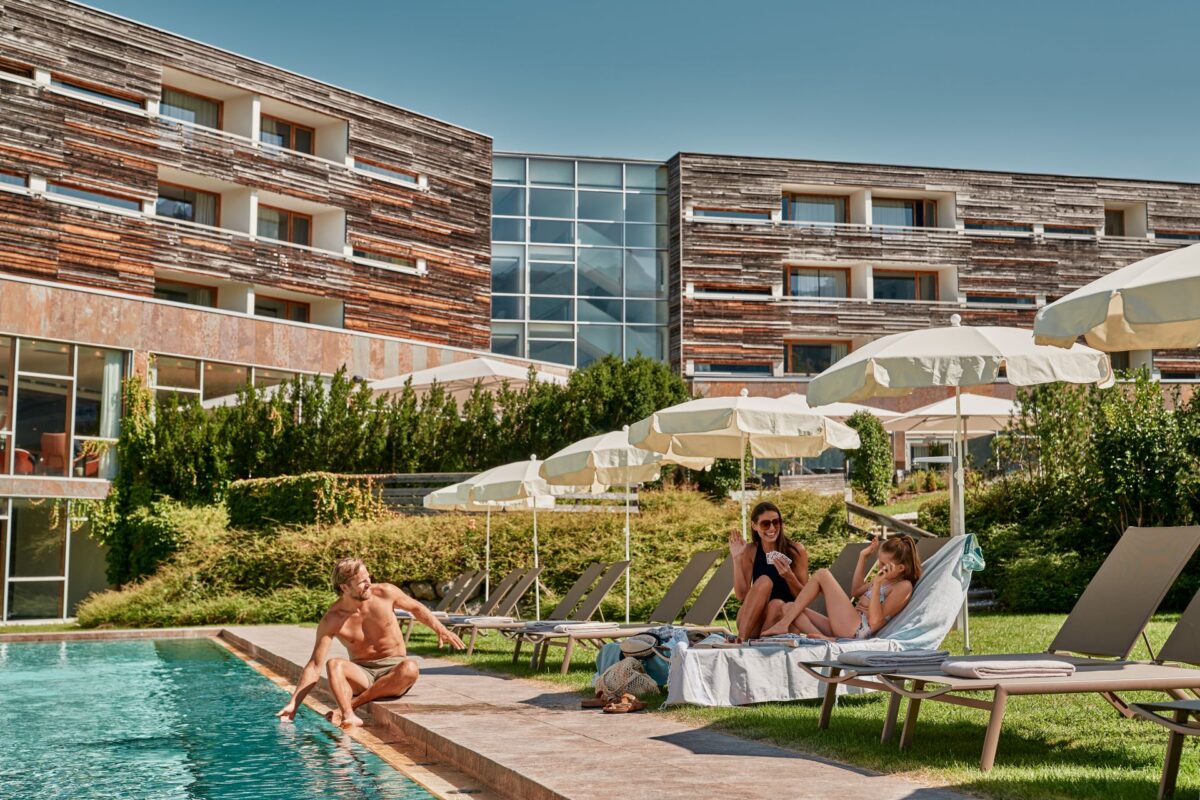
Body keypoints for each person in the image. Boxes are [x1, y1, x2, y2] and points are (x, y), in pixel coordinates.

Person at [276, 557, 466, 728]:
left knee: (410, 668)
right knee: (334, 664)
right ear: (345, 588)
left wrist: (440, 629)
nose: (369, 584)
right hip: (363, 673)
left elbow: (416, 608)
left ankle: (348, 707)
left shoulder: (385, 592)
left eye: (369, 577)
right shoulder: (332, 619)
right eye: (362, 582)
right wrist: (294, 703)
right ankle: (349, 716)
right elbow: (314, 665)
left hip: (395, 669)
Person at [762, 535, 921, 640]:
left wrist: (878, 583)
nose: (879, 566)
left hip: (857, 630)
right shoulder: (884, 578)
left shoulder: (903, 586)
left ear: (901, 568)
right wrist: (863, 557)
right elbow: (856, 591)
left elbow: (875, 620)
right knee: (788, 608)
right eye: (879, 561)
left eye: (884, 564)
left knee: (822, 574)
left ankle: (785, 625)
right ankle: (823, 639)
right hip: (846, 624)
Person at [728, 501, 809, 640]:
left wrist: (789, 576)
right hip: (752, 621)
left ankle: (756, 641)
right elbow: (741, 596)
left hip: (785, 619)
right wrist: (737, 559)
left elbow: (804, 597)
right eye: (765, 524)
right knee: (764, 581)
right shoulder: (751, 550)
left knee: (776, 604)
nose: (772, 528)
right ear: (754, 526)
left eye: (776, 522)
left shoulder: (796, 550)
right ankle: (741, 638)